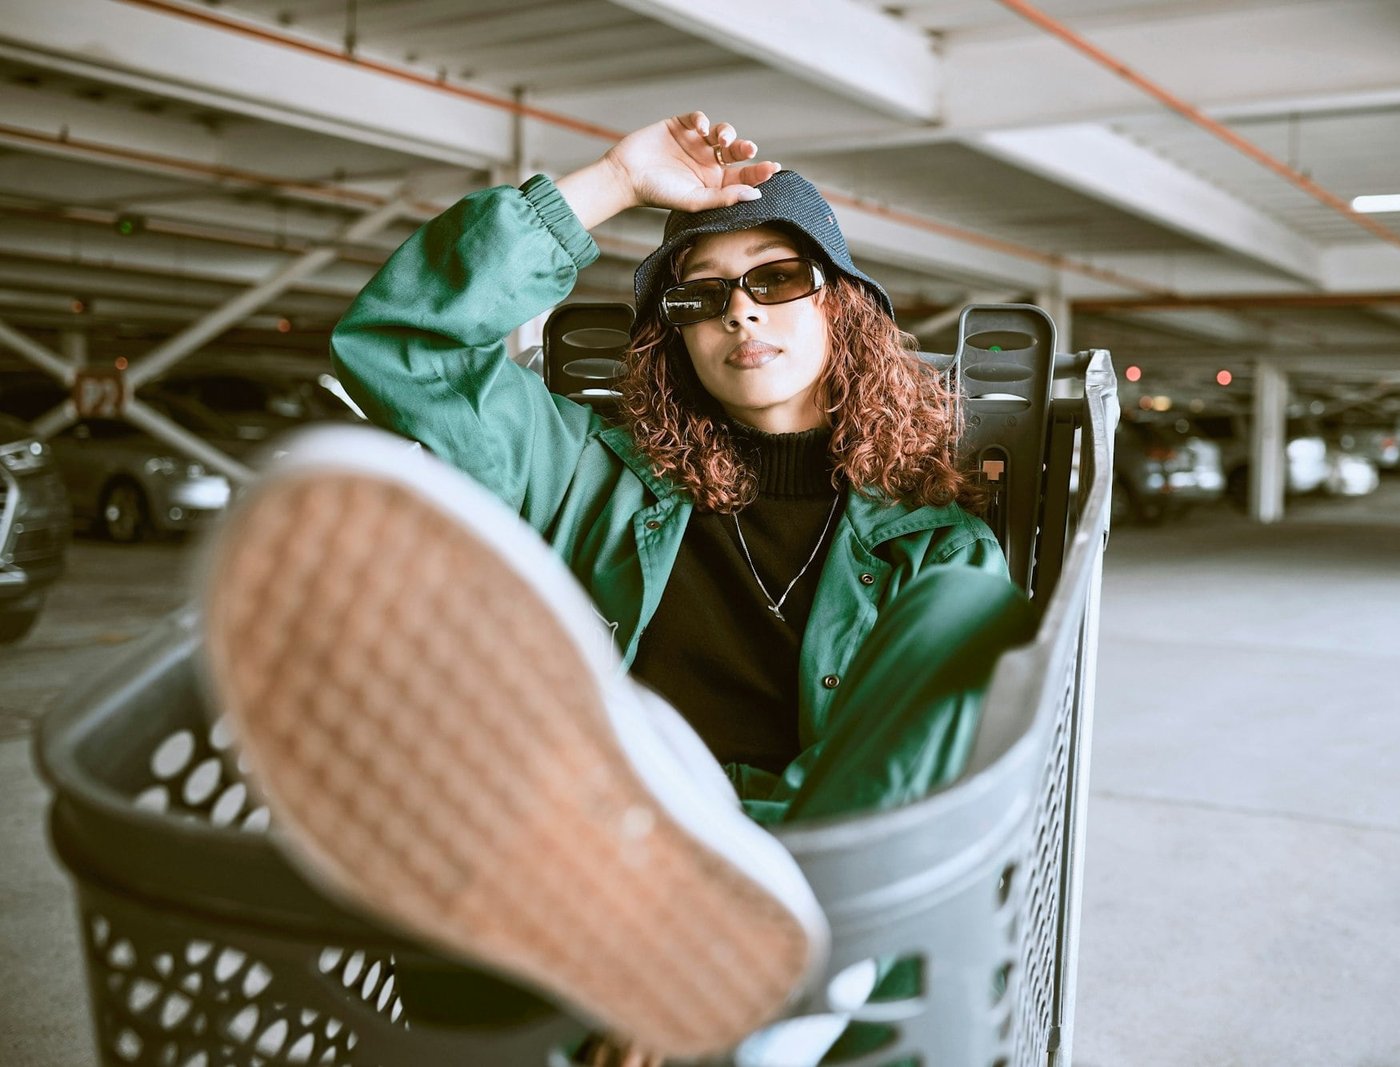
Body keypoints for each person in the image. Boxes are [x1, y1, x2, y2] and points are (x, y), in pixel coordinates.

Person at [199, 112, 1035, 1064]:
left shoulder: (933, 547)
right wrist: (613, 181)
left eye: (775, 277)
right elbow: (406, 345)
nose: (740, 312)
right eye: (701, 296)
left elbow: (916, 784)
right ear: (673, 339)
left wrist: (710, 939)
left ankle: (752, 987)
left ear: (840, 306)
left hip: (802, 884)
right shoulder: (588, 474)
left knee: (969, 609)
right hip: (595, 856)